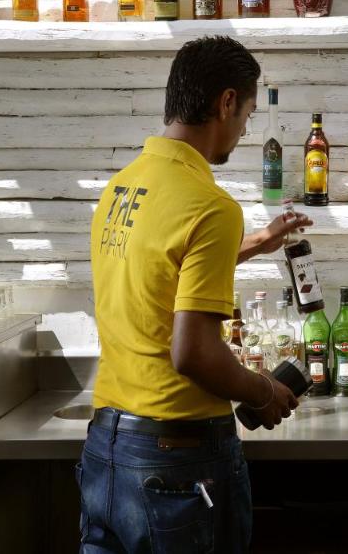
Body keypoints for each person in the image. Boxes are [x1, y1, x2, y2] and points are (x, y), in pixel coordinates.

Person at [80, 36, 312, 553]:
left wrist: (257, 242)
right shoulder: (211, 206)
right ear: (226, 102)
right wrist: (262, 392)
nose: (246, 129)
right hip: (177, 460)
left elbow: (163, 267)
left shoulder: (121, 188)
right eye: (248, 114)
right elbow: (193, 353)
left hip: (107, 450)